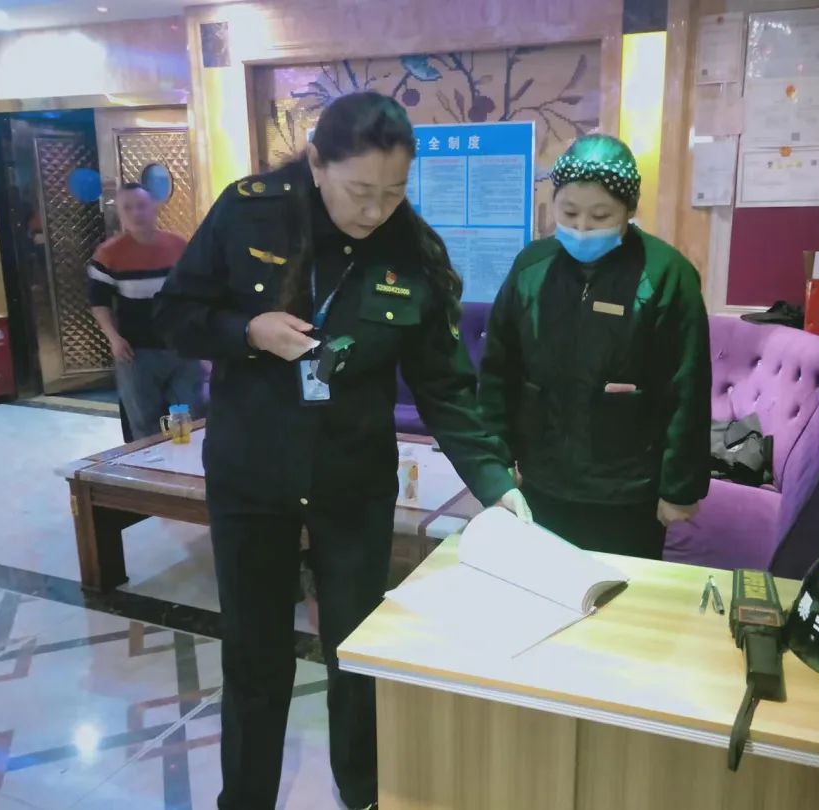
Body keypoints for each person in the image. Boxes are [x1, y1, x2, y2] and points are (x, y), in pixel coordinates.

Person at [152, 92, 530, 810]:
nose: (376, 210)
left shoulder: (411, 252)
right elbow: (174, 315)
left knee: (358, 652)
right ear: (317, 162)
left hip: (352, 479)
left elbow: (447, 387)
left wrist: (496, 485)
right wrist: (248, 332)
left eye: (394, 191)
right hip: (253, 473)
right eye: (360, 191)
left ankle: (363, 795)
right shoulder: (249, 212)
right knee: (255, 655)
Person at [479, 134, 712, 559]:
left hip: (628, 492)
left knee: (624, 595)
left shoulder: (666, 274)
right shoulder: (532, 267)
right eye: (569, 212)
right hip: (541, 481)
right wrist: (496, 460)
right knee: (541, 586)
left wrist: (679, 488)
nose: (582, 228)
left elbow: (688, 388)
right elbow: (499, 370)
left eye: (600, 215)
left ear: (629, 210)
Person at [87, 183, 203, 438]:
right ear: (120, 214)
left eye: (141, 206)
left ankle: (188, 462)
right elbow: (99, 302)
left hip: (181, 348)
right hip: (136, 352)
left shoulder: (178, 246)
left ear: (154, 208)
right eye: (127, 208)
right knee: (144, 422)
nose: (136, 213)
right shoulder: (108, 254)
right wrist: (114, 338)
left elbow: (196, 292)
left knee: (191, 417)